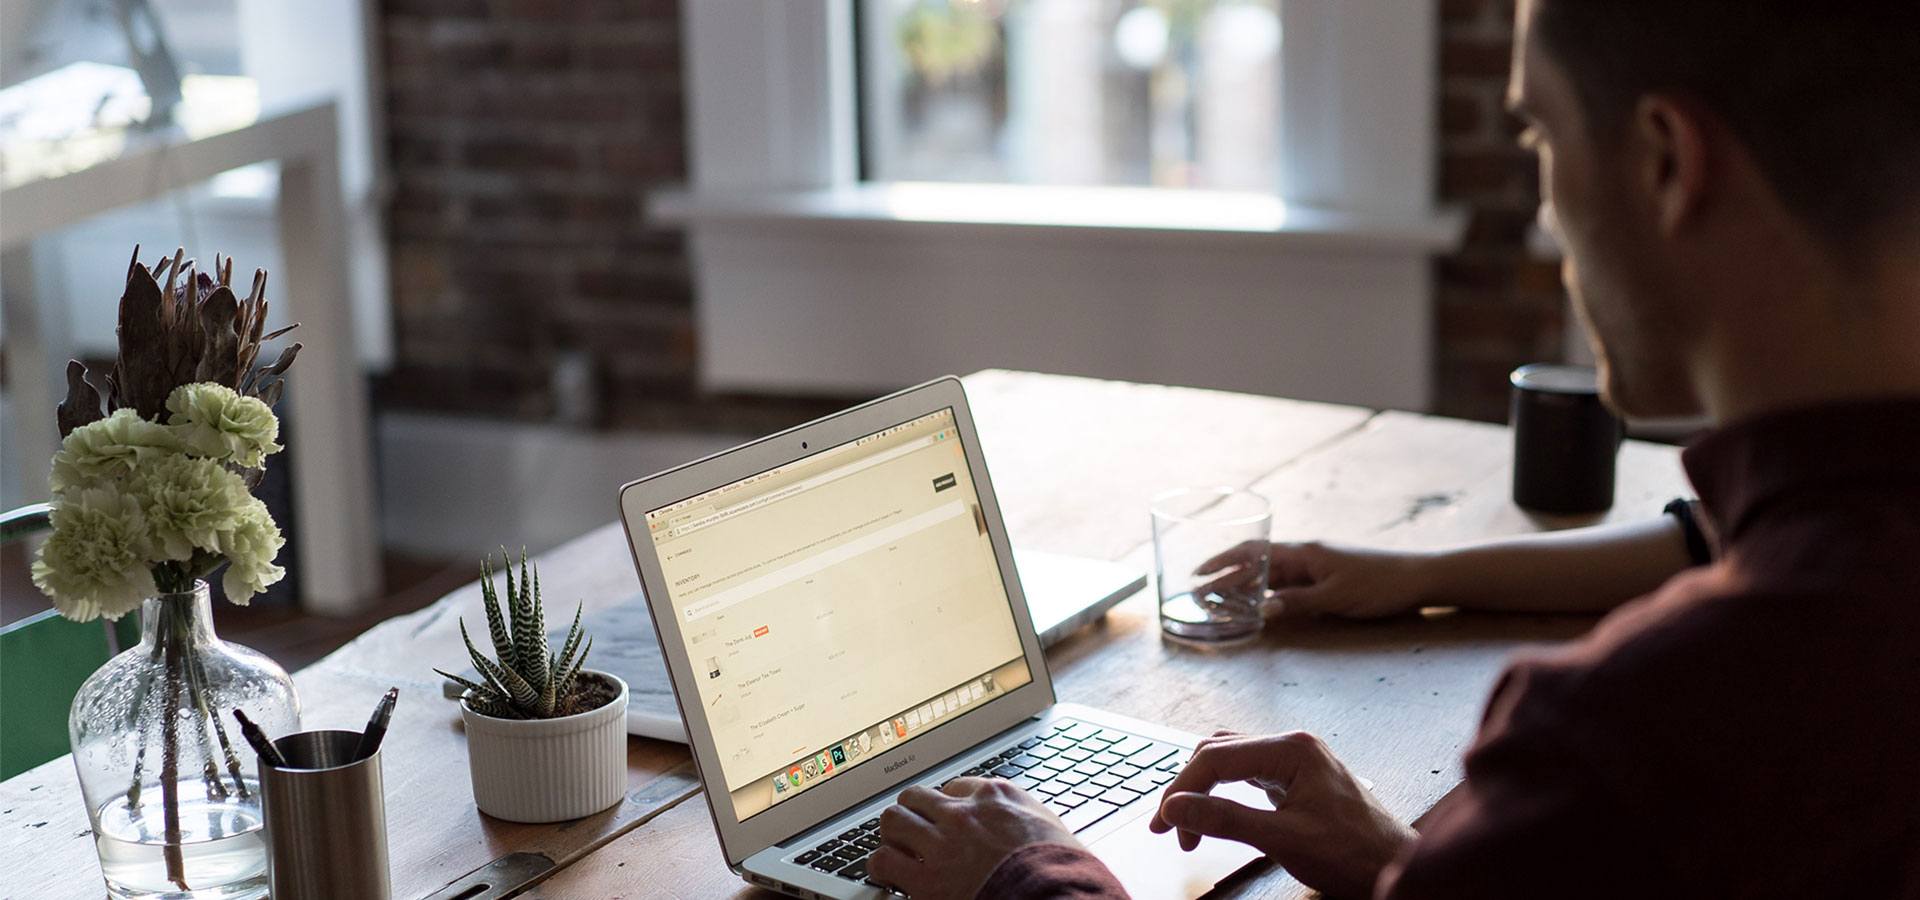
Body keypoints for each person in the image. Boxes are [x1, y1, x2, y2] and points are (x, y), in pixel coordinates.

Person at [866, 0, 1920, 896]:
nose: (1549, 228)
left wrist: (1034, 872)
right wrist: (1407, 866)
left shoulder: (1644, 732)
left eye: (1542, 140)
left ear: (1664, 164)